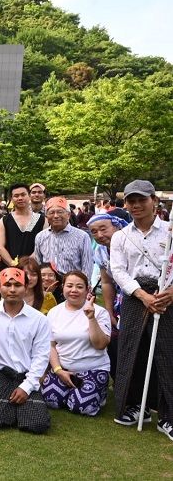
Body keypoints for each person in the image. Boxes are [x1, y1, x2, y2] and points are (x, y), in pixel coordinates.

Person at [110, 180, 173, 438]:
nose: (136, 205)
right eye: (131, 201)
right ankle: (136, 406)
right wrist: (142, 295)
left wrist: (169, 293)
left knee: (166, 354)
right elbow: (118, 270)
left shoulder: (170, 232)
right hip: (136, 298)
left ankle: (167, 416)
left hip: (166, 297)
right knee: (133, 353)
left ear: (154, 201)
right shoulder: (120, 236)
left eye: (141, 200)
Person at [0, 267, 52, 434]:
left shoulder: (39, 320)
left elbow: (41, 356)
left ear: (26, 287)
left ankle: (19, 407)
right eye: (7, 285)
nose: (12, 289)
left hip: (25, 374)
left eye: (17, 285)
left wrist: (27, 387)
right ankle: (12, 410)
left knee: (38, 424)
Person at [41, 271, 111, 417]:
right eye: (69, 286)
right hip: (64, 368)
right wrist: (58, 370)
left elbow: (100, 344)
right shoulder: (54, 312)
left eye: (79, 287)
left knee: (81, 407)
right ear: (63, 287)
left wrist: (91, 318)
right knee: (50, 400)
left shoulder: (99, 312)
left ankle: (98, 393)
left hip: (93, 368)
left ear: (87, 289)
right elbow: (51, 345)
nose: (74, 290)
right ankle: (72, 392)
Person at [88, 213, 128, 376]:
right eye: (94, 232)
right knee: (118, 340)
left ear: (117, 226)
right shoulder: (101, 252)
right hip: (119, 301)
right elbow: (106, 282)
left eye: (103, 229)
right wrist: (109, 310)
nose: (99, 235)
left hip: (138, 298)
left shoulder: (130, 244)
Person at [34, 196, 94, 281]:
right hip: (48, 287)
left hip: (72, 287)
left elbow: (87, 266)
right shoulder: (40, 237)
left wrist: (84, 286)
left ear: (68, 215)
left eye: (60, 212)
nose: (56, 216)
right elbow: (38, 264)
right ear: (46, 216)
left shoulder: (82, 236)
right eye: (51, 212)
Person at [0, 183, 46, 267]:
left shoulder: (42, 219)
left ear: (29, 196)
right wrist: (13, 264)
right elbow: (0, 247)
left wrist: (27, 265)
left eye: (23, 195)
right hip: (10, 270)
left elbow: (43, 245)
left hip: (33, 269)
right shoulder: (5, 220)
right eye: (16, 196)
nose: (20, 198)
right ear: (11, 199)